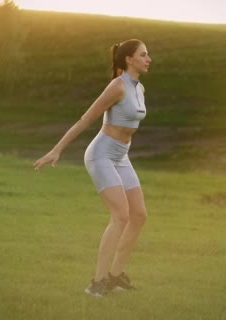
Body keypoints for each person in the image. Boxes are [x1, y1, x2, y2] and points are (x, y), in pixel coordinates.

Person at [33, 39, 152, 297]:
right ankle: (97, 282)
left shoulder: (139, 88)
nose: (148, 59)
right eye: (143, 54)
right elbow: (86, 119)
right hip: (101, 155)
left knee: (139, 215)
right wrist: (57, 149)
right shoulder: (117, 86)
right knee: (121, 215)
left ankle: (116, 276)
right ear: (129, 59)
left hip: (122, 156)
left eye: (148, 55)